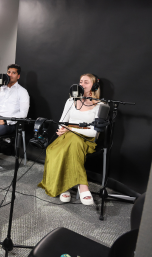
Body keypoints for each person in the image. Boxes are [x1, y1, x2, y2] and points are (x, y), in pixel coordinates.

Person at [38, 73, 103, 205]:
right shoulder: (70, 101)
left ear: (94, 86)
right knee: (54, 150)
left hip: (86, 139)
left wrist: (71, 129)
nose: (82, 85)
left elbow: (94, 133)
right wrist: (62, 129)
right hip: (67, 136)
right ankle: (79, 186)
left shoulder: (100, 105)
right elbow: (62, 122)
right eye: (81, 82)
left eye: (86, 82)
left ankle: (69, 186)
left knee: (74, 143)